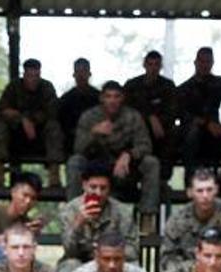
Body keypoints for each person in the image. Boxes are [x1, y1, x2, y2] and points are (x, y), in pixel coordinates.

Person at [68, 81, 159, 218]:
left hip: (125, 170)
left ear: (122, 98)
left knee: (151, 163)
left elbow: (145, 145)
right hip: (97, 167)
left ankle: (147, 216)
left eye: (117, 96)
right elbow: (78, 148)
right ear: (101, 98)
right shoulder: (89, 116)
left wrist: (129, 154)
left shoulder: (132, 116)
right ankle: (74, 213)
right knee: (74, 161)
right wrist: (93, 133)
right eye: (108, 96)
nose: (112, 101)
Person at [55, 162, 139, 272]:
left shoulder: (123, 212)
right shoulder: (69, 210)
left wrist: (106, 252)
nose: (98, 193)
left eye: (103, 188)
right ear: (84, 185)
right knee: (68, 267)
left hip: (112, 260)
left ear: (109, 189)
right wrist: (78, 222)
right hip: (80, 261)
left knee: (134, 269)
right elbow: (69, 250)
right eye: (93, 187)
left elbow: (133, 250)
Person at [0, 58, 65, 189]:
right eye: (30, 76)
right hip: (16, 137)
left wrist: (33, 120)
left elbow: (53, 112)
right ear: (24, 75)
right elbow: (2, 111)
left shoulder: (47, 87)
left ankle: (54, 176)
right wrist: (22, 119)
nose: (33, 80)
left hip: (40, 137)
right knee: (0, 128)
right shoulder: (13, 87)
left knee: (54, 127)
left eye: (36, 76)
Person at [160, 168, 221, 272]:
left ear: (216, 190)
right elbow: (168, 256)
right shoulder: (178, 219)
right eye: (200, 191)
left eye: (209, 190)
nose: (205, 196)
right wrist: (194, 270)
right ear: (190, 193)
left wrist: (214, 268)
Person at [176, 47, 221, 179]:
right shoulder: (184, 89)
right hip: (191, 135)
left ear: (212, 63)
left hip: (215, 131)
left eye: (208, 61)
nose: (205, 65)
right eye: (202, 61)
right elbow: (181, 114)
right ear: (195, 62)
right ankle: (191, 180)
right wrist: (206, 123)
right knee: (192, 132)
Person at [123, 50, 177, 186]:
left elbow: (173, 111)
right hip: (135, 131)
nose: (153, 68)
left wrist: (159, 122)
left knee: (173, 134)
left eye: (156, 65)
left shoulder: (168, 86)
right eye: (150, 64)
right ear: (144, 65)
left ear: (161, 67)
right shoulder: (132, 86)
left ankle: (162, 179)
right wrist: (149, 118)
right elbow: (125, 110)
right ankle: (129, 179)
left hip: (161, 132)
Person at [0, 171, 44, 268]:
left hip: (7, 268)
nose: (28, 201)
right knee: (2, 251)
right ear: (13, 192)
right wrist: (16, 235)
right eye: (25, 195)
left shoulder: (25, 221)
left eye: (33, 198)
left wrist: (33, 234)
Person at [57, 57, 100, 156]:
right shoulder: (66, 99)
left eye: (84, 71)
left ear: (89, 74)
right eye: (78, 72)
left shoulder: (99, 98)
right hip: (72, 142)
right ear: (73, 74)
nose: (81, 75)